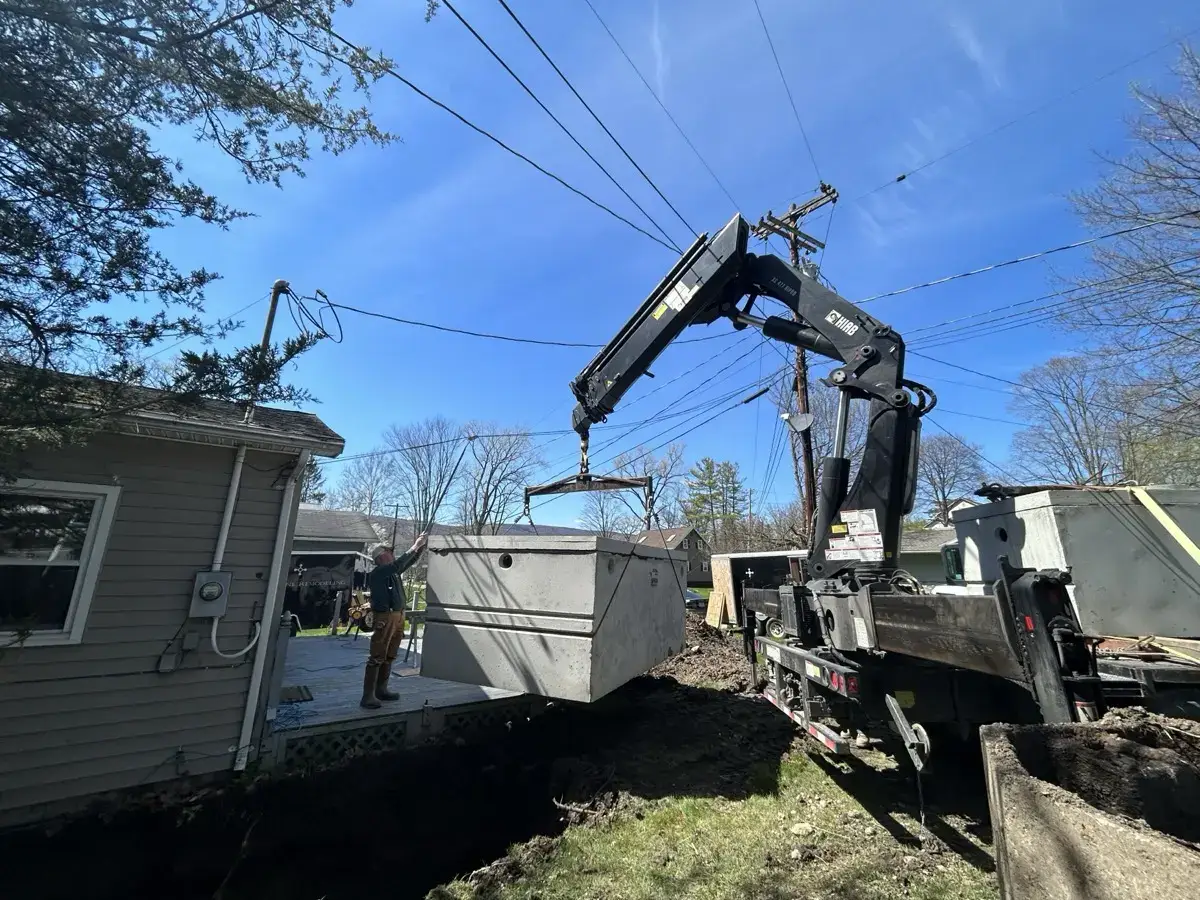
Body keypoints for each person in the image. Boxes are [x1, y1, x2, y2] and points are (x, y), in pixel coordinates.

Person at [361, 532, 428, 709]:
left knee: (390, 654)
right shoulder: (380, 572)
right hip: (385, 617)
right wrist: (415, 546)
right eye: (389, 552)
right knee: (377, 656)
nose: (392, 554)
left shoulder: (391, 572)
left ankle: (381, 690)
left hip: (397, 616)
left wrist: (420, 548)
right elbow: (399, 564)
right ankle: (368, 696)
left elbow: (408, 562)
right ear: (381, 557)